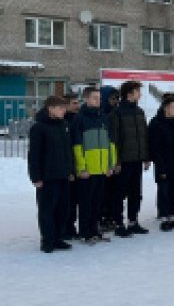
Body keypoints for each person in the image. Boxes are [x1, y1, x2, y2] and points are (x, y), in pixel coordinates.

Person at [71, 87, 118, 245]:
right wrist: (81, 168)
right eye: (94, 98)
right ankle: (85, 232)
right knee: (86, 203)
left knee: (98, 202)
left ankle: (95, 230)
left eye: (99, 98)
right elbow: (77, 146)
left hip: (102, 168)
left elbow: (110, 143)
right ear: (86, 99)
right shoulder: (79, 119)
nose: (98, 100)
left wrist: (110, 164)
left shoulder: (103, 117)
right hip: (87, 170)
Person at [28, 96, 74, 253]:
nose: (64, 110)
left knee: (63, 209)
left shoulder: (65, 125)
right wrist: (36, 177)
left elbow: (68, 152)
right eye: (61, 108)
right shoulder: (39, 128)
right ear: (50, 109)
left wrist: (70, 171)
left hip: (63, 175)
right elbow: (34, 155)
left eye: (64, 107)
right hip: (47, 177)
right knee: (47, 210)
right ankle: (47, 240)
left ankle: (58, 238)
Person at [110, 81, 151, 237]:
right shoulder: (117, 113)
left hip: (137, 160)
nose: (139, 94)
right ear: (129, 94)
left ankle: (133, 221)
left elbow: (144, 136)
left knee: (136, 193)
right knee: (119, 194)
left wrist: (146, 157)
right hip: (123, 161)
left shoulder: (139, 112)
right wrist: (117, 161)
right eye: (137, 91)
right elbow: (114, 139)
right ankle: (118, 223)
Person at [149, 96, 174, 231]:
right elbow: (155, 149)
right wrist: (161, 168)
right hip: (165, 166)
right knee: (165, 192)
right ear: (166, 108)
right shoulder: (156, 123)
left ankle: (173, 216)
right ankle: (165, 218)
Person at [99, 85, 120, 233]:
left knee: (114, 191)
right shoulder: (99, 115)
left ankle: (111, 216)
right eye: (112, 98)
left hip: (114, 158)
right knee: (102, 192)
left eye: (116, 98)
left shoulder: (116, 114)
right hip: (100, 160)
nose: (115, 101)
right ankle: (101, 218)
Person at [62, 92, 81, 240]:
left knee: (75, 199)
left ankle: (71, 227)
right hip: (67, 167)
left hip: (79, 165)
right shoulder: (63, 122)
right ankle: (65, 227)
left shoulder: (78, 119)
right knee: (66, 200)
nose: (78, 106)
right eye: (74, 103)